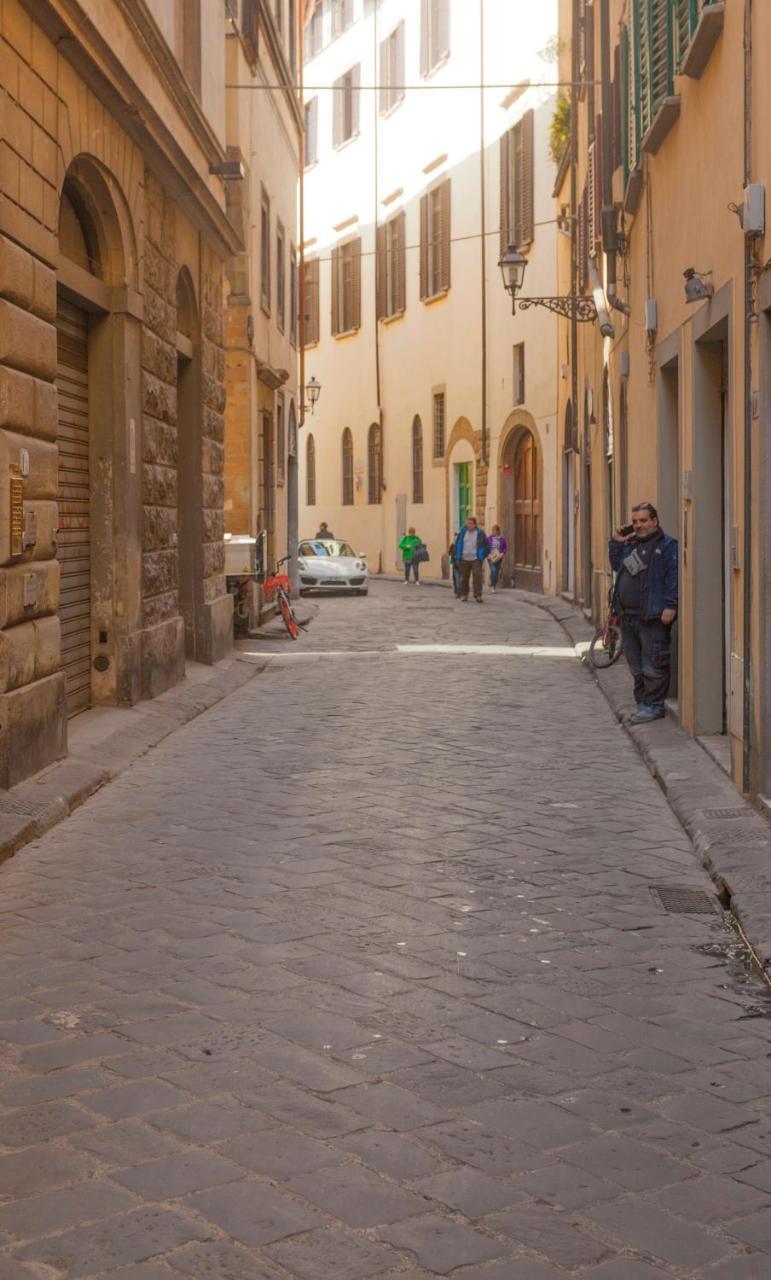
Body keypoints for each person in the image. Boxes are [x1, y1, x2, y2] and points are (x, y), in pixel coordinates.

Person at [609, 501, 678, 724]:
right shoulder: (632, 545)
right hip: (628, 616)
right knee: (636, 665)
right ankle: (642, 703)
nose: (639, 525)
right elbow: (617, 565)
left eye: (644, 521)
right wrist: (617, 542)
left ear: (654, 521)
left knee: (653, 663)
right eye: (635, 521)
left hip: (653, 615)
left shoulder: (667, 546)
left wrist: (671, 605)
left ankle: (654, 706)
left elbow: (673, 576)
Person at [455, 516, 489, 603]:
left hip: (476, 559)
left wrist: (482, 555)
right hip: (464, 558)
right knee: (464, 578)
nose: (468, 525)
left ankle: (478, 595)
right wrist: (458, 556)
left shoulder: (480, 533)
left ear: (475, 524)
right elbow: (457, 543)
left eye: (470, 523)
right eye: (467, 523)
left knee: (477, 575)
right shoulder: (462, 533)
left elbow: (487, 546)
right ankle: (464, 594)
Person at [487, 524, 508, 592]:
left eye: (494, 530)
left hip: (498, 558)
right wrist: (487, 555)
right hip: (491, 557)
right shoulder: (489, 538)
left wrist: (502, 553)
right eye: (492, 530)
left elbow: (505, 548)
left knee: (496, 572)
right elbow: (486, 547)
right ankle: (493, 586)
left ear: (497, 531)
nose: (492, 531)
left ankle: (494, 584)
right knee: (493, 570)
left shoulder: (502, 539)